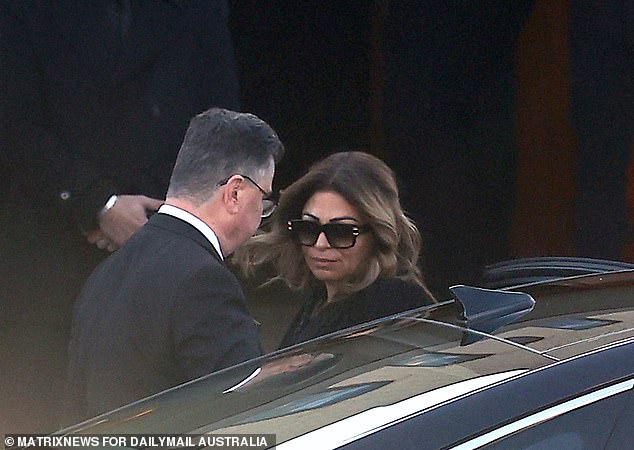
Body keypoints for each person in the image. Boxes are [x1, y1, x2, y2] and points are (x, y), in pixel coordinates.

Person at [0, 0, 240, 433]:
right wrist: (98, 204)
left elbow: (218, 120)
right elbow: (14, 124)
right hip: (49, 247)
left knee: (162, 409)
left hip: (164, 238)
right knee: (41, 411)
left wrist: (172, 214)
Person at [62, 108, 285, 425]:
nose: (262, 215)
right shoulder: (204, 281)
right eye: (263, 200)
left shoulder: (108, 270)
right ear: (235, 193)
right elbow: (244, 416)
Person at [236, 151, 435, 348]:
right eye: (308, 228)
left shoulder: (393, 302)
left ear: (378, 234)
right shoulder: (321, 296)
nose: (320, 244)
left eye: (341, 232)